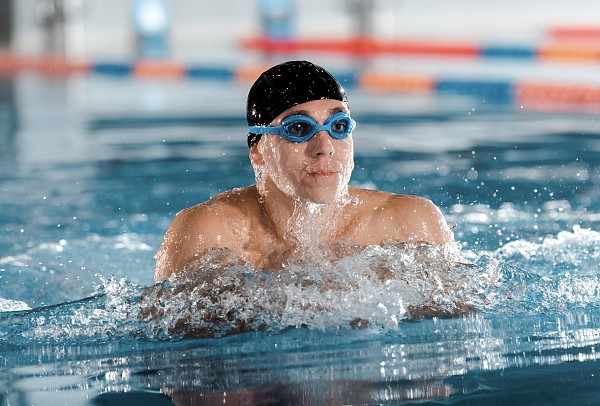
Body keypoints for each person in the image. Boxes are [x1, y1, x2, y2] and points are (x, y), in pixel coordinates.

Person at [154, 60, 453, 283]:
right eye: (299, 128)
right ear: (257, 150)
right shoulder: (208, 232)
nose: (324, 147)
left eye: (338, 127)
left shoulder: (410, 222)